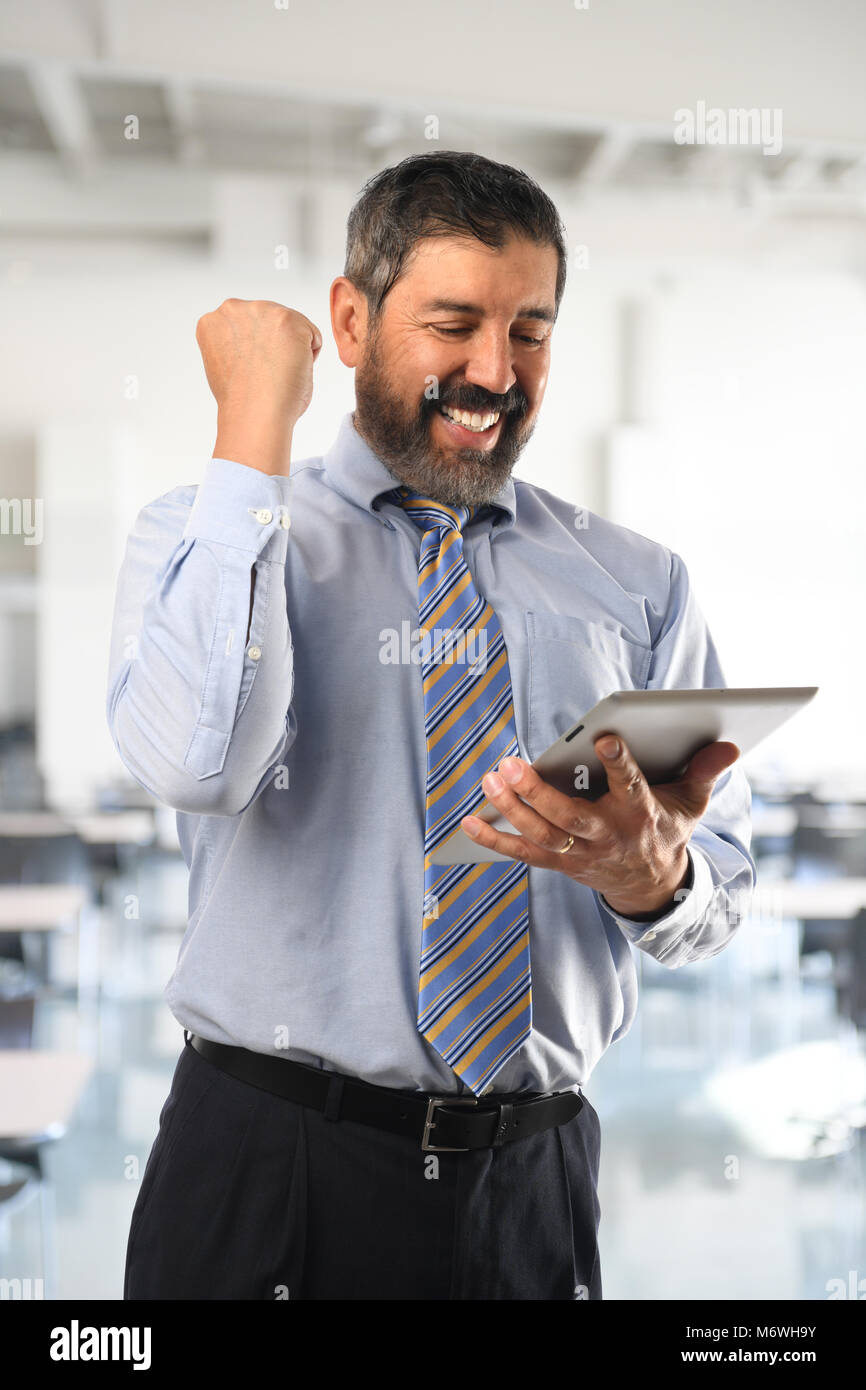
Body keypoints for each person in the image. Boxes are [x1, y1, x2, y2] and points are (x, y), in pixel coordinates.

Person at [106, 150, 754, 1301]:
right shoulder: (209, 533)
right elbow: (195, 765)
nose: (493, 372)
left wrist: (653, 882)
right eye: (452, 323)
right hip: (270, 1164)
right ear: (348, 320)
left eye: (531, 332)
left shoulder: (637, 582)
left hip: (531, 1182)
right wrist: (251, 423)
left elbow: (715, 904)